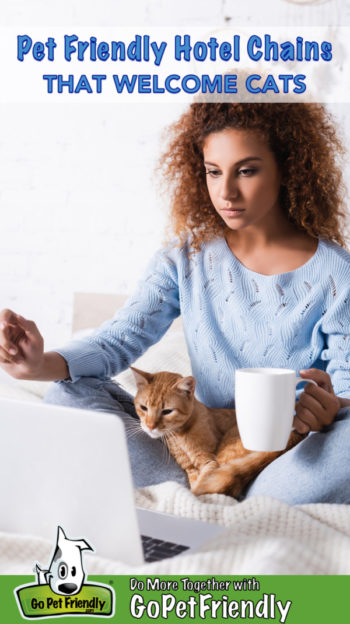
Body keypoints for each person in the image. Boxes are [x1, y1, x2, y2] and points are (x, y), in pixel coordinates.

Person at [1, 102, 350, 504]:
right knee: (67, 395)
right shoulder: (184, 258)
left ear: (288, 168)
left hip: (289, 460)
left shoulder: (338, 275)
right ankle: (204, 485)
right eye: (213, 171)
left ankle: (240, 493)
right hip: (193, 448)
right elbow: (119, 339)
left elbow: (343, 388)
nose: (226, 192)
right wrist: (37, 364)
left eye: (247, 170)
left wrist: (330, 407)